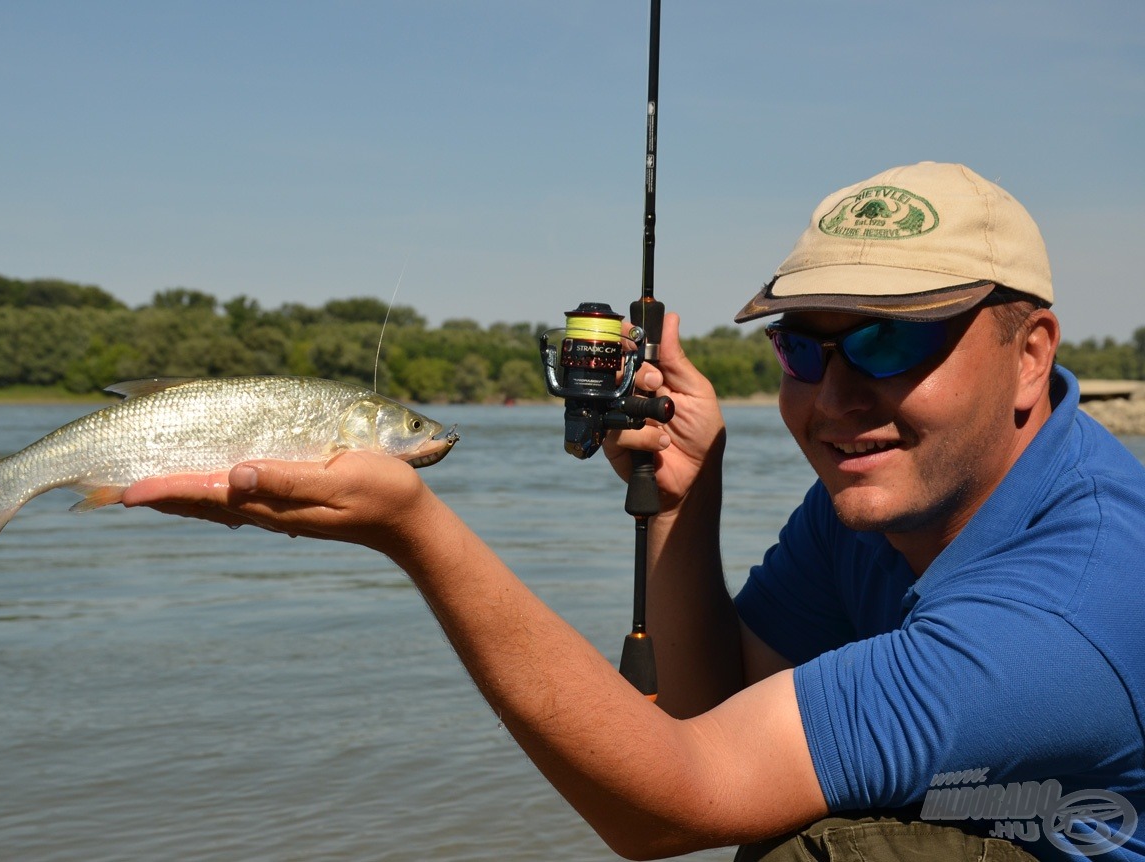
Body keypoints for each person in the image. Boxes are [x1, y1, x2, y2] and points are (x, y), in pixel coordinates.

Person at [122, 162, 1145, 861]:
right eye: (802, 346)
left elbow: (667, 801)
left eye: (887, 343)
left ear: (1028, 353)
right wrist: (678, 497)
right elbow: (700, 710)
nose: (834, 396)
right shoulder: (876, 502)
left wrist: (416, 533)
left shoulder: (1066, 610)